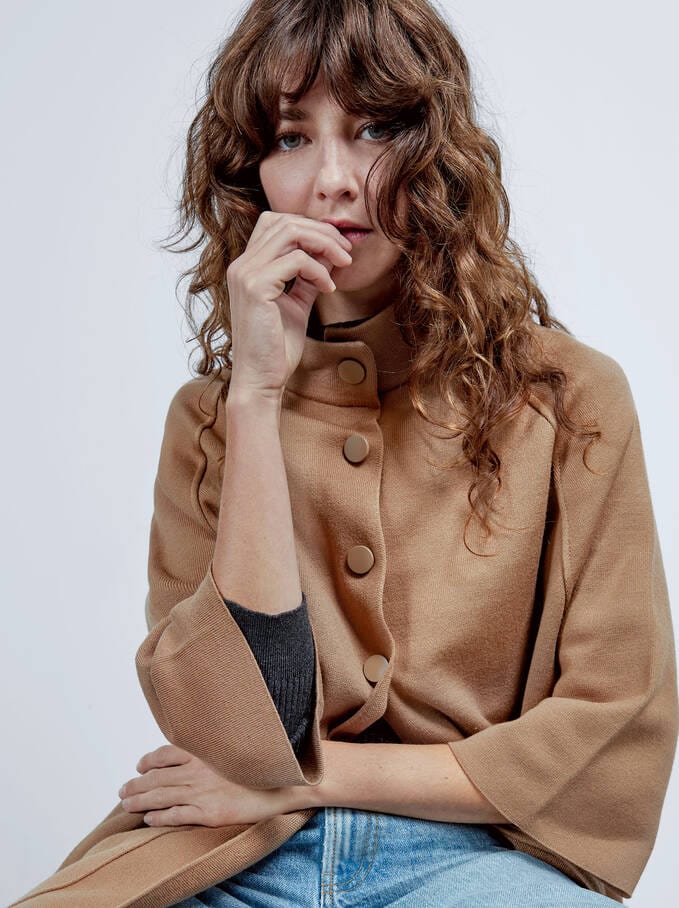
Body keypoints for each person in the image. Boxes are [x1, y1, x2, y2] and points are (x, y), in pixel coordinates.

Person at [12, 1, 677, 906]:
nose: (331, 181)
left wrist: (312, 780)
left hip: (473, 862)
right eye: (292, 138)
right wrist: (255, 398)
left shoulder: (564, 399)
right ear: (252, 177)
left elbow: (614, 724)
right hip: (228, 853)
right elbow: (232, 734)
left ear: (436, 151)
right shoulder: (209, 421)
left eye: (374, 129)